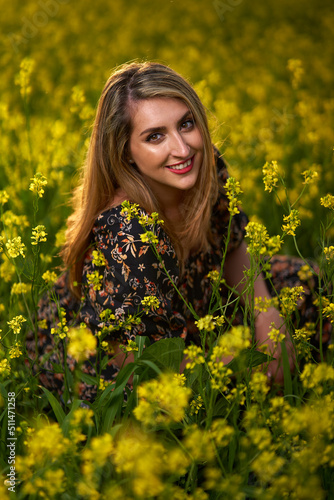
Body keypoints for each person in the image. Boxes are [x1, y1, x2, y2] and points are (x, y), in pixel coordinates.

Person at [28, 62, 330, 402]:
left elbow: (233, 245)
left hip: (199, 302)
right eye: (155, 136)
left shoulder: (206, 165)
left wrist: (268, 321)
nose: (183, 150)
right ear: (125, 152)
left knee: (312, 285)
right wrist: (248, 361)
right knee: (191, 404)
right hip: (137, 358)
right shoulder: (127, 233)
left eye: (186, 124)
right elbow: (145, 363)